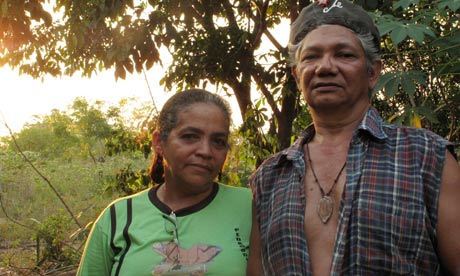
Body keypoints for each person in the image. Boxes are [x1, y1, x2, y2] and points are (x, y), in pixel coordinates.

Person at [247, 0, 460, 275]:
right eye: (311, 56)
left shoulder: (427, 157)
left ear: (372, 73)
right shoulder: (268, 178)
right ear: (297, 76)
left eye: (344, 55)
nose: (325, 67)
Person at [77, 89, 252, 275]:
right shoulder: (118, 217)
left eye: (218, 141)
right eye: (190, 136)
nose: (205, 151)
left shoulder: (252, 206)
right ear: (159, 142)